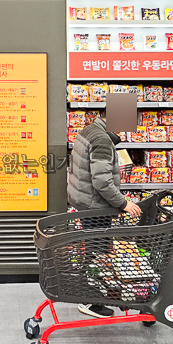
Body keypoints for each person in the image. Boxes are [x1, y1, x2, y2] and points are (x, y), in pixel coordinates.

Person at [67, 113, 142, 318]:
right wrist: (123, 203)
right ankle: (89, 299)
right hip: (96, 207)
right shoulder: (102, 140)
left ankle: (89, 291)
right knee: (97, 252)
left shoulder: (90, 130)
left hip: (85, 201)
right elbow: (102, 182)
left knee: (93, 249)